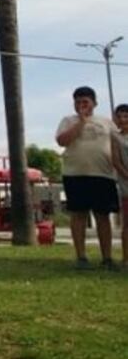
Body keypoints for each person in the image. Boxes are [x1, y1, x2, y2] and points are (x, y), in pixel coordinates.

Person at [55, 86, 120, 271]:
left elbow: (119, 144)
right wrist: (81, 122)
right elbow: (62, 141)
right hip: (75, 175)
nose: (81, 105)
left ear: (94, 103)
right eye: (78, 102)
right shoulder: (68, 121)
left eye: (85, 102)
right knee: (78, 215)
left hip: (103, 175)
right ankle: (81, 257)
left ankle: (107, 258)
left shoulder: (107, 122)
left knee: (103, 216)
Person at [112, 103, 128, 267]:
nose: (123, 120)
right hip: (126, 187)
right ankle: (126, 258)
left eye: (126, 116)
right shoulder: (115, 137)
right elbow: (116, 161)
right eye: (120, 116)